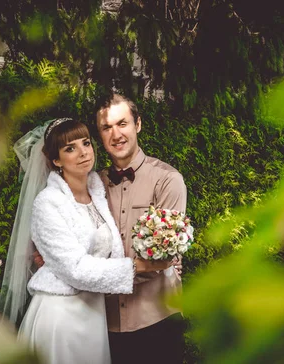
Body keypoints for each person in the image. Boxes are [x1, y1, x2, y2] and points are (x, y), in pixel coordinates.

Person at [0, 118, 172, 364]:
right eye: (70, 148)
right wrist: (136, 267)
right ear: (56, 160)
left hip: (93, 315)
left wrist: (162, 258)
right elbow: (75, 269)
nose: (83, 152)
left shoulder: (99, 193)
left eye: (86, 143)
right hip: (61, 317)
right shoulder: (47, 203)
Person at [96, 94, 187, 364]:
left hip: (156, 321)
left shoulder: (168, 180)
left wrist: (93, 274)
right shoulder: (92, 186)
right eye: (106, 127)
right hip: (104, 325)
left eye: (122, 123)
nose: (116, 134)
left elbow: (160, 259)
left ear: (138, 124)